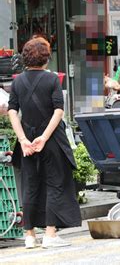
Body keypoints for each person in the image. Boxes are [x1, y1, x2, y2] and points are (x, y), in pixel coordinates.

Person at [8, 37, 81, 249]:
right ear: (46, 59)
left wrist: (23, 139)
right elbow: (59, 110)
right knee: (55, 184)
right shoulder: (52, 80)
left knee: (29, 186)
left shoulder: (18, 81)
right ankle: (50, 234)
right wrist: (45, 137)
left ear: (25, 58)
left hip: (27, 142)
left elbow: (13, 110)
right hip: (51, 141)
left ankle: (29, 236)